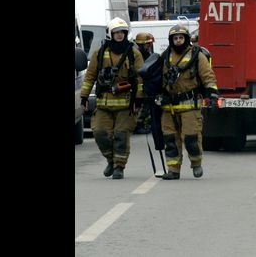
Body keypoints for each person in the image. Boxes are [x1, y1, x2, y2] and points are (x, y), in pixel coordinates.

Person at [81, 18, 145, 179]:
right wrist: (84, 97)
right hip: (103, 104)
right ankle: (110, 160)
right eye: (116, 32)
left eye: (122, 32)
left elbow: (140, 78)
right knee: (100, 133)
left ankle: (119, 167)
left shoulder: (133, 53)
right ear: (111, 34)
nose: (119, 35)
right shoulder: (100, 53)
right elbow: (90, 77)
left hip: (126, 105)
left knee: (121, 136)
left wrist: (138, 99)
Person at [157, 24, 219, 180]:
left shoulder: (197, 56)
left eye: (181, 37)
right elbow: (157, 79)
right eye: (175, 38)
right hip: (168, 106)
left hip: (190, 105)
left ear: (186, 39)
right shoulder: (164, 57)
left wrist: (212, 94)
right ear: (171, 40)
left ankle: (196, 163)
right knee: (170, 139)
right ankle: (173, 170)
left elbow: (208, 76)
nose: (178, 41)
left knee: (191, 138)